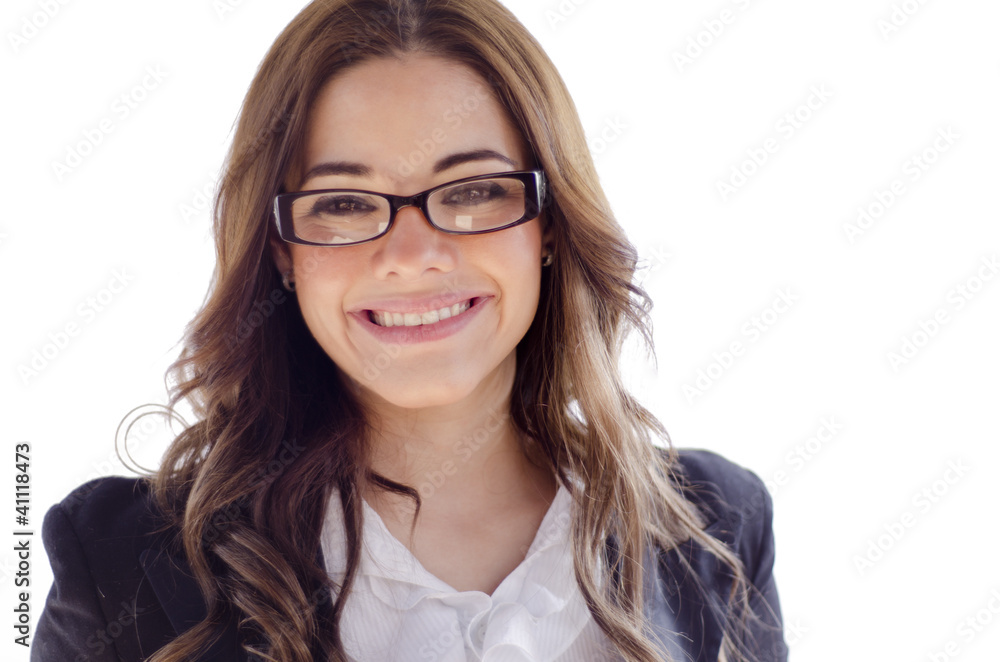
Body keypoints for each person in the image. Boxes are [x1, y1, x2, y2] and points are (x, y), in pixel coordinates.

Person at [32, 1, 786, 660]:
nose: (412, 257)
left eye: (474, 191)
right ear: (281, 252)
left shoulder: (715, 528)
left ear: (551, 225)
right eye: (343, 203)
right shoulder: (119, 558)